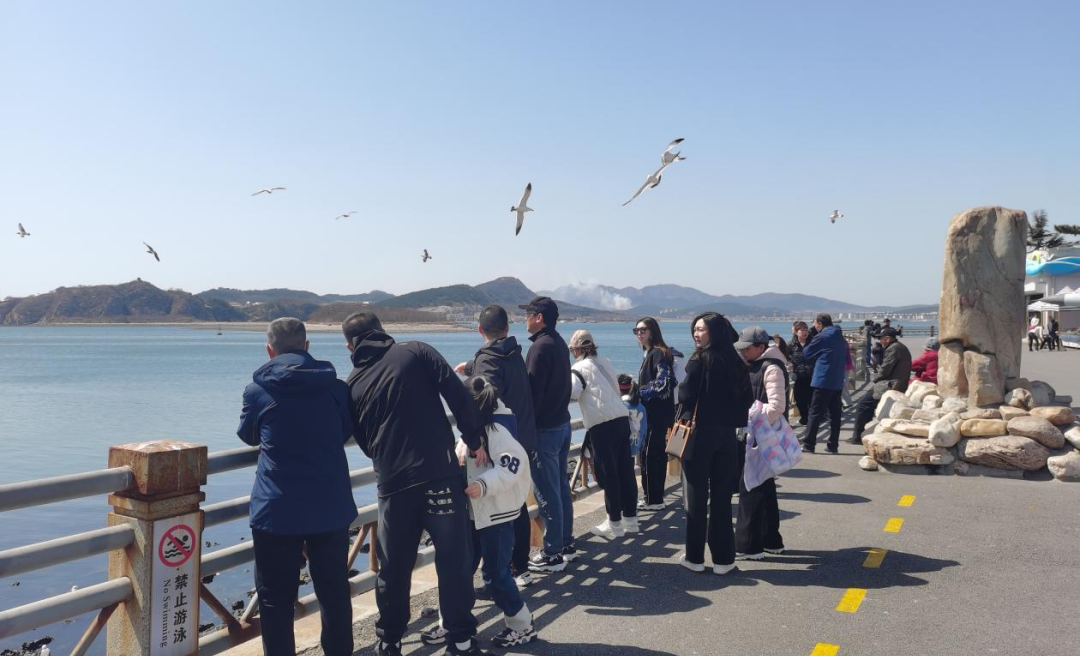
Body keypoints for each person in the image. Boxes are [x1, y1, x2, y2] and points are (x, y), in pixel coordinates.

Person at [342, 312, 489, 656]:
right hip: (439, 474)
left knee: (394, 567)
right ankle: (461, 640)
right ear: (381, 331)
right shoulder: (416, 351)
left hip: (393, 484)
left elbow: (364, 440)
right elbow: (457, 394)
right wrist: (474, 438)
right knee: (453, 560)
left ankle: (389, 640)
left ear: (350, 346)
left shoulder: (352, 383)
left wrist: (386, 456)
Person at [236, 318, 356, 656]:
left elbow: (248, 435)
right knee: (334, 592)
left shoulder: (257, 391)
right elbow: (344, 432)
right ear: (307, 346)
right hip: (330, 505)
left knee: (275, 599)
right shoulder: (337, 388)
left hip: (276, 509)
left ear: (269, 350)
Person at [425, 378, 538, 648]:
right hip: (474, 514)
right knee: (459, 571)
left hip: (496, 515)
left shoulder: (496, 431)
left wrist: (483, 484)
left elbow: (513, 465)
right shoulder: (472, 432)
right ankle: (452, 623)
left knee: (496, 574)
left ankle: (522, 624)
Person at [454, 305, 538, 587]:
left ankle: (503, 573)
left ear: (480, 330)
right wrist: (471, 367)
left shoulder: (488, 359)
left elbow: (483, 401)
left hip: (498, 441)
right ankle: (518, 566)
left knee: (503, 508)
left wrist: (473, 439)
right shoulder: (514, 353)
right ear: (507, 328)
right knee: (517, 502)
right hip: (522, 435)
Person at [676, 312, 754, 575]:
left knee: (696, 498)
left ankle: (695, 557)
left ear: (714, 332)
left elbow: (685, 394)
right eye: (695, 329)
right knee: (722, 498)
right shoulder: (736, 362)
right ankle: (723, 559)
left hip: (699, 436)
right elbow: (746, 401)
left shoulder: (699, 360)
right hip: (727, 437)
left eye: (702, 330)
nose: (696, 334)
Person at [517, 296, 577, 572]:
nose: (524, 319)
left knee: (547, 493)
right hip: (562, 424)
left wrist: (523, 429)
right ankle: (565, 543)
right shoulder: (558, 342)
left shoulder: (539, 348)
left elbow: (532, 395)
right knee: (560, 488)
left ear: (539, 317)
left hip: (544, 430)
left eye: (528, 314)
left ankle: (552, 553)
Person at [567, 330, 638, 540]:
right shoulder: (605, 361)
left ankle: (614, 523)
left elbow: (572, 393)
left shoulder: (578, 368)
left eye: (572, 350)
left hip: (602, 424)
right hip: (621, 419)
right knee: (625, 471)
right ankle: (631, 520)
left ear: (577, 349)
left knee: (609, 474)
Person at [732, 326, 787, 560]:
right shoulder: (759, 365)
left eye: (747, 348)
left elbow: (777, 406)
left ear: (761, 347)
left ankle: (748, 546)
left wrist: (748, 417)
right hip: (759, 436)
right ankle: (770, 540)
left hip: (759, 436)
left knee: (750, 487)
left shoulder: (771, 368)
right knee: (764, 488)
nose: (743, 352)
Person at [634, 316, 677, 511]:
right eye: (636, 331)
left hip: (655, 416)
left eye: (643, 330)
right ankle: (654, 498)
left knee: (650, 457)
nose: (639, 333)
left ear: (653, 331)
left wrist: (638, 393)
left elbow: (663, 383)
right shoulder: (653, 353)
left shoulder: (657, 353)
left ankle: (653, 500)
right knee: (654, 456)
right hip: (656, 415)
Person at [849, 327, 913, 445]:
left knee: (863, 405)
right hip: (896, 383)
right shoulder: (898, 347)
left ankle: (858, 437)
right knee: (868, 406)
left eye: (880, 338)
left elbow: (885, 369)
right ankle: (863, 434)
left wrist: (875, 378)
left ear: (887, 339)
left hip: (890, 384)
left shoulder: (893, 348)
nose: (879, 341)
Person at [799, 314, 848, 454]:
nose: (813, 326)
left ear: (820, 323)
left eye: (815, 324)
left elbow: (806, 354)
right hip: (837, 380)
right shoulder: (839, 335)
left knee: (815, 413)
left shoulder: (822, 336)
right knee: (835, 415)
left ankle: (809, 444)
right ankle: (833, 445)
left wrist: (809, 339)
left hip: (823, 379)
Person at [788, 321, 814, 427]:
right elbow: (785, 356)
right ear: (796, 332)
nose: (805, 332)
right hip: (799, 376)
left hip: (812, 376)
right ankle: (804, 418)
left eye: (806, 330)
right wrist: (789, 364)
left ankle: (812, 420)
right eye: (802, 330)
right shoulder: (791, 345)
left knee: (812, 400)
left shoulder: (813, 343)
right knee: (799, 400)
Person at [618, 374, 648, 459]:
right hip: (635, 447)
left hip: (620, 449)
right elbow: (644, 430)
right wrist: (641, 446)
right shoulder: (641, 407)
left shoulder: (619, 406)